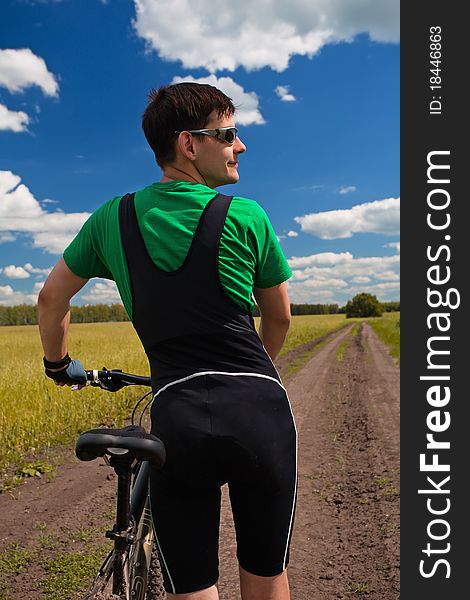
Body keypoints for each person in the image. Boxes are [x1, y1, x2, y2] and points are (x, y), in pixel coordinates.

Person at [38, 82, 297, 600]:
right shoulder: (246, 216)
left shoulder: (113, 218)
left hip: (178, 419)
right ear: (189, 143)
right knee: (266, 573)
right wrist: (255, 376)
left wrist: (58, 363)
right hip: (258, 413)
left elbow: (50, 300)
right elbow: (281, 319)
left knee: (192, 584)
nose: (239, 145)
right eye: (228, 134)